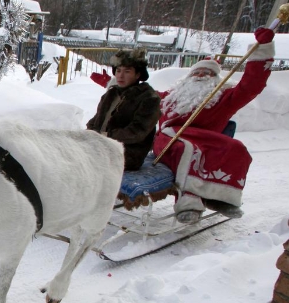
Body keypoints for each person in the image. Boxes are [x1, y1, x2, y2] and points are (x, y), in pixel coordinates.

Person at [152, 28, 275, 223]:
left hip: (207, 140)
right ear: (188, 77)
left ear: (216, 79)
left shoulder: (223, 97)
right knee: (187, 149)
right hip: (169, 139)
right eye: (197, 71)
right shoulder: (171, 96)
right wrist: (114, 82)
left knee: (236, 148)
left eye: (208, 72)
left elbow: (252, 85)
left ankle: (222, 198)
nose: (201, 75)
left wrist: (263, 50)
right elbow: (141, 94)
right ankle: (189, 203)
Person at [87, 48, 161, 171]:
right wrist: (89, 132)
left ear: (138, 74)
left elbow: (137, 132)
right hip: (101, 145)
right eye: (118, 70)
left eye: (127, 71)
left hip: (127, 154)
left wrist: (106, 136)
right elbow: (96, 120)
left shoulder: (149, 98)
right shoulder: (111, 94)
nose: (120, 75)